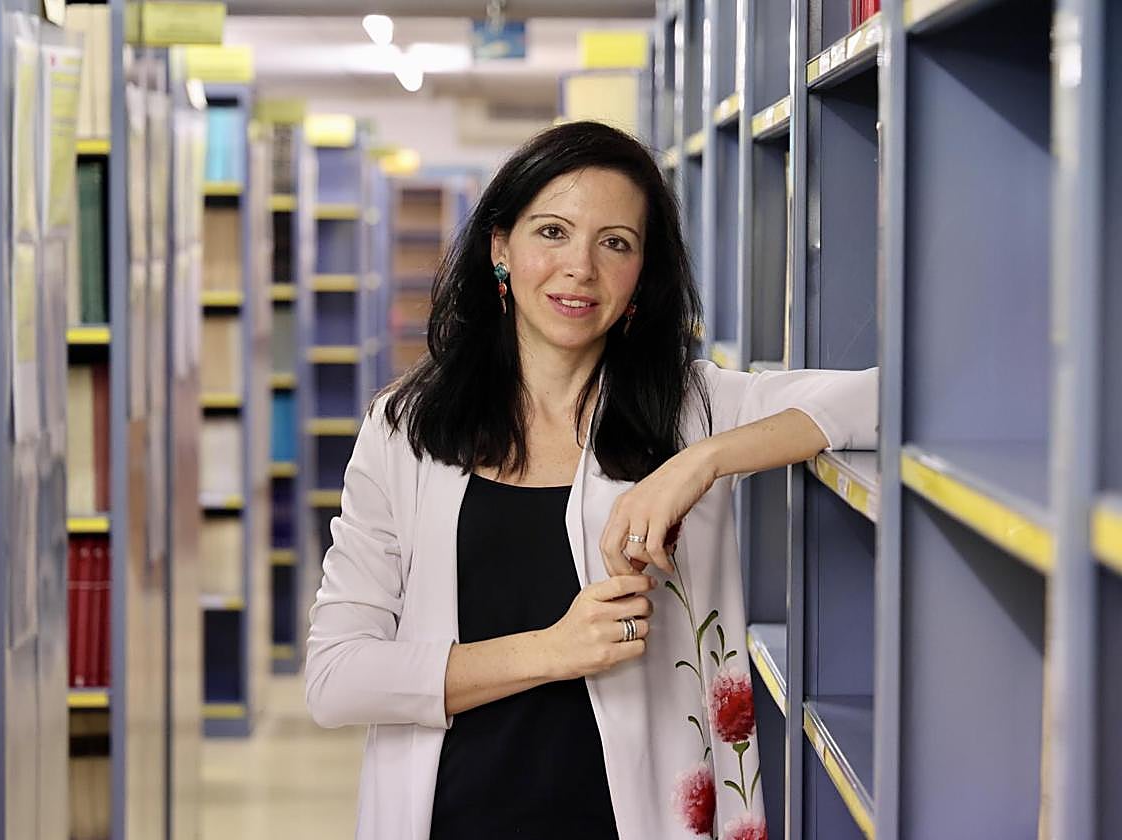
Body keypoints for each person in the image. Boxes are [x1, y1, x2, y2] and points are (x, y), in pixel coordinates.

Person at [304, 121, 877, 840]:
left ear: (641, 276)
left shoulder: (693, 410)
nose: (580, 267)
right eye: (552, 232)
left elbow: (895, 400)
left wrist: (703, 460)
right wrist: (553, 649)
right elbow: (336, 678)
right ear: (499, 249)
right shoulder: (405, 428)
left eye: (615, 243)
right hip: (450, 818)